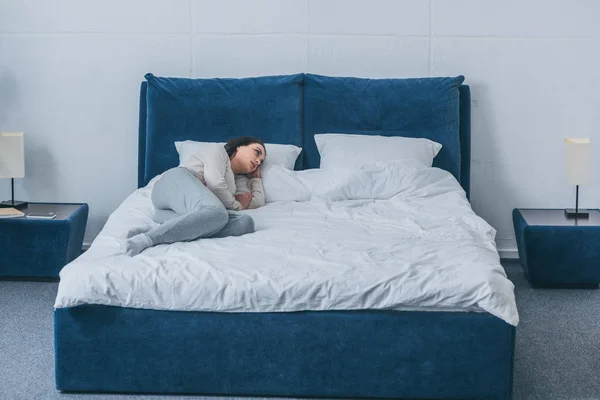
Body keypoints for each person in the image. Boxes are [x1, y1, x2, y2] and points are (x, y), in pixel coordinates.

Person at [122, 136, 266, 256]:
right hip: (175, 182)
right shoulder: (217, 150)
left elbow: (256, 202)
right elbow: (215, 184)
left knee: (245, 223)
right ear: (240, 146)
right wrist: (236, 204)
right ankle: (148, 238)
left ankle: (161, 229)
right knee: (219, 214)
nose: (259, 161)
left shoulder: (237, 181)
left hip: (177, 211)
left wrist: (256, 180)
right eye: (257, 152)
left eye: (262, 161)